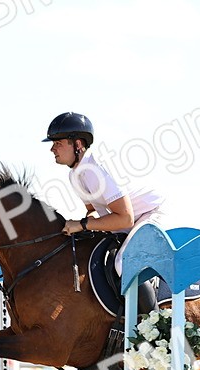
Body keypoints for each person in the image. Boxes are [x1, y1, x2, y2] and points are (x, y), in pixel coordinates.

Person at [44, 112, 164, 314]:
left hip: (150, 214)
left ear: (78, 144)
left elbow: (124, 217)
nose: (52, 149)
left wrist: (81, 224)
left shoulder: (95, 169)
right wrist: (79, 226)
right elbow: (93, 211)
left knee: (123, 263)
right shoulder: (75, 175)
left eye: (58, 143)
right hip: (127, 220)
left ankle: (156, 324)